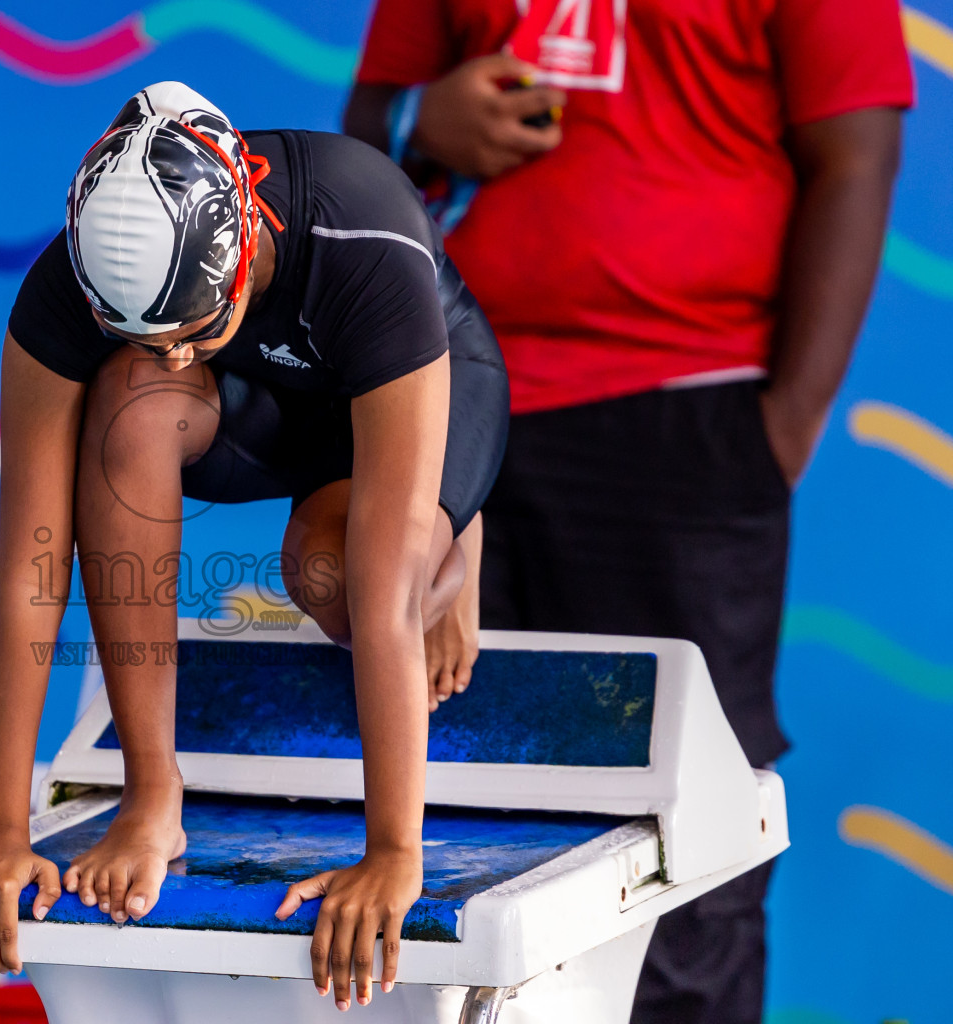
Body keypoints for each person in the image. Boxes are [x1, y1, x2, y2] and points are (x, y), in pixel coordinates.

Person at [344, 2, 911, 1020]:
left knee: (689, 837)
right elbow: (362, 142)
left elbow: (857, 151)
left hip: (689, 413)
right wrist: (420, 127)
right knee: (454, 807)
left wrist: (780, 426)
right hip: (461, 405)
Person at [0, 81, 509, 1011]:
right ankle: (154, 796)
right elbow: (31, 573)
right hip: (270, 410)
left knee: (346, 583)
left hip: (427, 387)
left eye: (189, 332)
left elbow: (382, 594)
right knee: (128, 401)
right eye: (143, 332)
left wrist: (394, 854)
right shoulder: (65, 292)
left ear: (240, 254)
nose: (169, 354)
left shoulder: (362, 229)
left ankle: (455, 535)